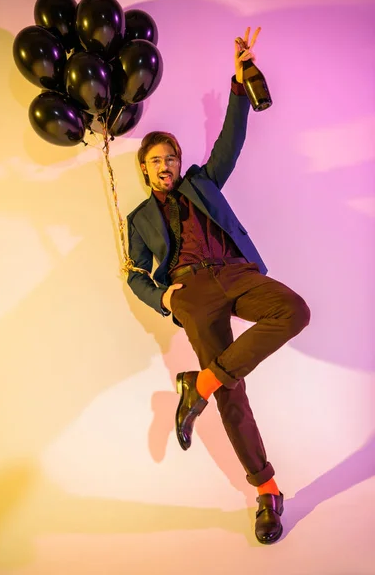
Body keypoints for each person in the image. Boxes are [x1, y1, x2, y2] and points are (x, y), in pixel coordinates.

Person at [126, 27, 311, 544]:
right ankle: (267, 492)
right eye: (156, 162)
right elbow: (133, 272)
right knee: (235, 394)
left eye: (171, 159)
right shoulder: (139, 217)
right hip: (191, 291)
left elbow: (231, 138)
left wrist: (238, 82)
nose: (165, 167)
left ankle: (198, 384)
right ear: (144, 170)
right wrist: (160, 297)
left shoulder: (203, 182)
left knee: (294, 311)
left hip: (237, 272)